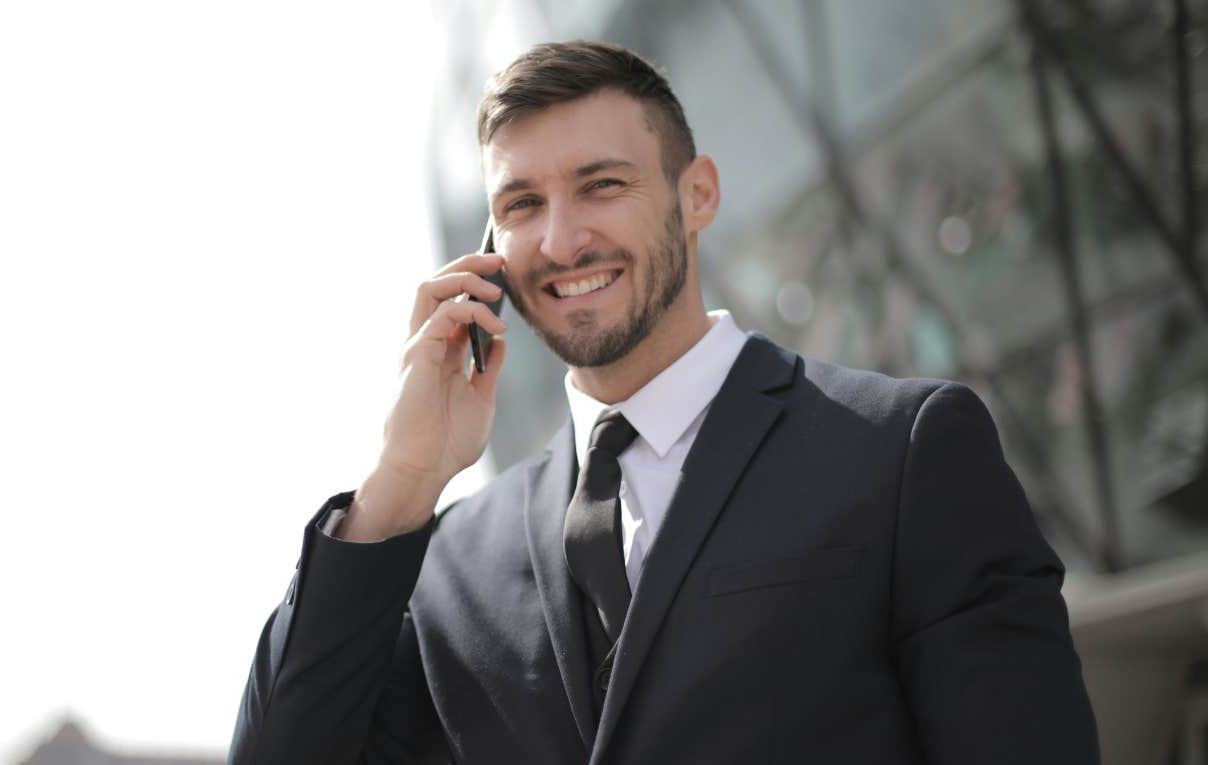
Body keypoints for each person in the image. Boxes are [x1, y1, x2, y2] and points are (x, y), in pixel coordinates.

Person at [228, 41, 1099, 764]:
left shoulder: (902, 452)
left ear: (698, 195)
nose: (562, 240)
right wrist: (399, 481)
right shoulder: (449, 563)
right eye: (522, 204)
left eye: (601, 184)